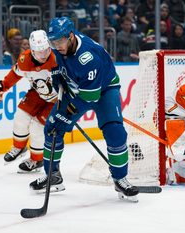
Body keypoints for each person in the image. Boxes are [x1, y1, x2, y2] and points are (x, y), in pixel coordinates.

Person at [29, 17, 139, 200]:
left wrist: (65, 116)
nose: (56, 46)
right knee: (51, 128)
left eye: (59, 41)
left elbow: (89, 97)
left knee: (115, 132)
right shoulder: (62, 43)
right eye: (53, 42)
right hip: (77, 87)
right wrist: (57, 74)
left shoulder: (87, 58)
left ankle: (120, 179)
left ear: (71, 36)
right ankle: (53, 176)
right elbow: (60, 63)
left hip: (104, 90)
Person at [0, 30, 58, 172]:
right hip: (37, 93)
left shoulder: (58, 59)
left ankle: (36, 160)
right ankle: (19, 148)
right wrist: (1, 87)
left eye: (45, 50)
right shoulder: (25, 59)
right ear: (31, 51)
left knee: (37, 128)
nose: (43, 55)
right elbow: (14, 74)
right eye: (39, 52)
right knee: (20, 117)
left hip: (56, 100)